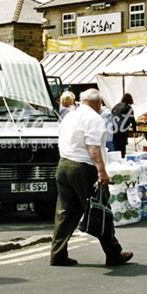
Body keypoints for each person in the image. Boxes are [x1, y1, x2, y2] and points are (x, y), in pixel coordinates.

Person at [50, 88, 133, 267]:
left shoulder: (69, 116)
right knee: (100, 209)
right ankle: (113, 254)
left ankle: (57, 254)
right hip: (83, 168)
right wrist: (102, 171)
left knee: (64, 212)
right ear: (97, 103)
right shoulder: (94, 118)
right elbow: (93, 147)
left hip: (64, 165)